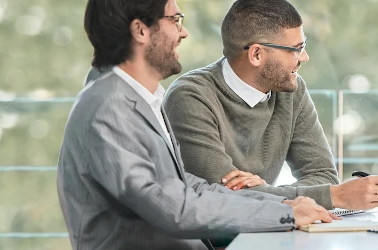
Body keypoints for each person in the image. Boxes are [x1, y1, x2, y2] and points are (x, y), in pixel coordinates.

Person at [58, 1, 335, 249]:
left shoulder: (143, 99)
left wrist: (283, 204)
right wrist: (284, 214)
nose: (183, 32)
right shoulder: (109, 107)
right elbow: (174, 209)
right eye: (175, 20)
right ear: (140, 30)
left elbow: (190, 187)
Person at [164, 0, 378, 211]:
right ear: (256, 54)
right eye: (296, 49)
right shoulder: (189, 97)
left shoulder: (291, 91)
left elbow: (323, 174)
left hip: (269, 228)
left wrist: (266, 191)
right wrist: (334, 196)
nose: (305, 57)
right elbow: (224, 197)